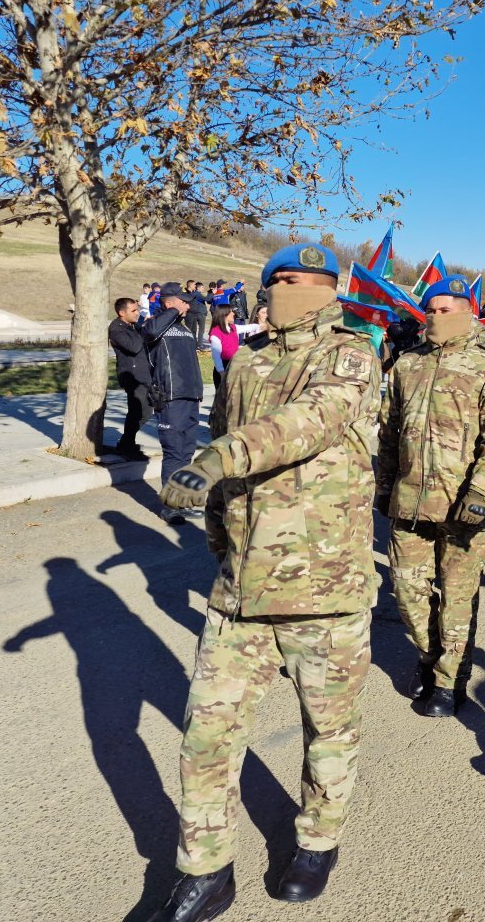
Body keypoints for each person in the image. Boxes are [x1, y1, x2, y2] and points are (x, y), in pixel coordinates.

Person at [150, 242, 380, 912]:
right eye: (275, 279)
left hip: (323, 584)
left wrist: (217, 457)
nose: (284, 288)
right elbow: (229, 454)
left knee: (328, 728)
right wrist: (218, 533)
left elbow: (309, 423)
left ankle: (317, 838)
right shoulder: (246, 360)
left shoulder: (350, 353)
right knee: (206, 733)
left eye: (298, 280)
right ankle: (204, 868)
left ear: (328, 288)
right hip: (241, 587)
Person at [377, 275, 485, 718]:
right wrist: (382, 487)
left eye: (445, 310)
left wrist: (480, 490)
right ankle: (428, 655)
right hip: (408, 501)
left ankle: (448, 679)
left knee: (456, 598)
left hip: (462, 506)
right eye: (431, 310)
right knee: (406, 591)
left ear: (466, 312)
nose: (436, 317)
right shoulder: (406, 365)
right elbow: (387, 431)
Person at [142, 282, 203, 523]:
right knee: (174, 451)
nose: (187, 305)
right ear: (169, 302)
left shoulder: (185, 329)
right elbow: (149, 333)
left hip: (190, 396)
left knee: (187, 452)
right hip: (170, 397)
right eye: (182, 301)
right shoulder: (153, 325)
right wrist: (173, 311)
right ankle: (170, 506)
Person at [107, 297, 153, 461]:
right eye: (133, 311)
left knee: (146, 411)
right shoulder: (116, 328)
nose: (137, 313)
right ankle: (128, 446)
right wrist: (141, 331)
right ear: (122, 313)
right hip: (131, 375)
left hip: (142, 374)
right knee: (136, 412)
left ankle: (126, 441)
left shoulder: (131, 326)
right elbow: (133, 347)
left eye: (137, 310)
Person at [206, 303, 240, 419]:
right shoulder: (216, 332)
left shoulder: (233, 328)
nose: (233, 314)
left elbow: (249, 327)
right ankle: (217, 420)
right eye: (231, 312)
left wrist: (261, 326)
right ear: (225, 314)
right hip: (223, 367)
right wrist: (221, 371)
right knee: (222, 397)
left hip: (232, 365)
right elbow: (216, 354)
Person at [186, 280, 209, 349]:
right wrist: (211, 293)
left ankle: (195, 344)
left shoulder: (194, 293)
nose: (203, 289)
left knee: (194, 330)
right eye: (202, 287)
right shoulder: (196, 294)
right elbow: (207, 299)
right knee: (200, 329)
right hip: (197, 314)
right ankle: (199, 344)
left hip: (195, 313)